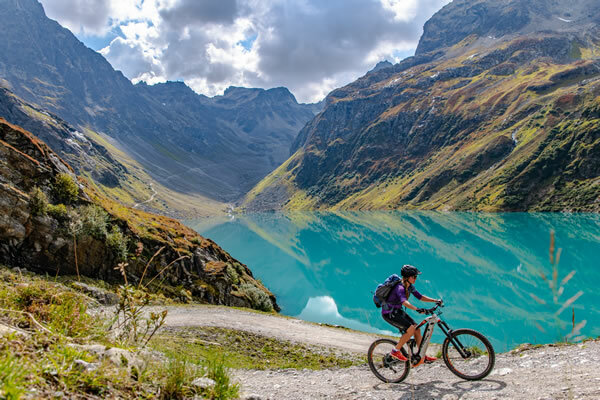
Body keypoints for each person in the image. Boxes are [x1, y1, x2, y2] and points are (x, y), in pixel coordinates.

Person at [381, 264, 442, 363]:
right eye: (414, 276)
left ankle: (422, 356)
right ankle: (395, 351)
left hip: (397, 311)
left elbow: (420, 297)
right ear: (407, 277)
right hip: (389, 314)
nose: (415, 278)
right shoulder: (399, 288)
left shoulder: (409, 286)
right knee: (411, 329)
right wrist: (416, 308)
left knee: (416, 328)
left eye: (416, 276)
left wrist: (435, 300)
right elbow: (404, 302)